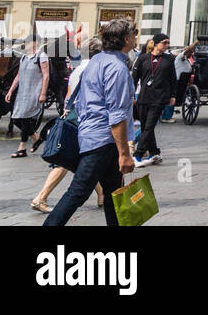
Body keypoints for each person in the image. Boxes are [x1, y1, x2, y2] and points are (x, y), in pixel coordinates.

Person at [43, 19, 137, 227]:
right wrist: (125, 154)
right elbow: (116, 114)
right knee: (78, 192)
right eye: (134, 34)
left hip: (91, 133)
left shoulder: (97, 60)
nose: (135, 38)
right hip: (103, 139)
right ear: (127, 39)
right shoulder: (117, 68)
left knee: (114, 192)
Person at [30, 40, 102, 213]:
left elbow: (69, 93)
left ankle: (103, 194)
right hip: (83, 116)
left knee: (86, 159)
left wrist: (66, 110)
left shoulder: (78, 69)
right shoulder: (93, 69)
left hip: (73, 113)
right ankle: (41, 197)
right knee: (66, 159)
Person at [131, 33, 176, 166]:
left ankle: (138, 155)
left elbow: (173, 79)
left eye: (168, 43)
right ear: (156, 43)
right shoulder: (143, 58)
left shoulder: (169, 59)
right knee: (146, 126)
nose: (167, 45)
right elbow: (134, 78)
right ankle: (154, 152)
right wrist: (131, 94)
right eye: (165, 42)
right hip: (143, 97)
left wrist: (173, 95)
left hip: (159, 98)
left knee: (149, 126)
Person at [6, 35, 50, 159]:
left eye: (28, 42)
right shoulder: (24, 57)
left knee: (25, 119)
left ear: (35, 43)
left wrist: (43, 93)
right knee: (16, 119)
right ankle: (36, 138)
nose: (26, 44)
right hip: (22, 93)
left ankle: (22, 148)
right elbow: (18, 76)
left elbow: (46, 76)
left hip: (34, 93)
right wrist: (10, 91)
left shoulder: (41, 56)